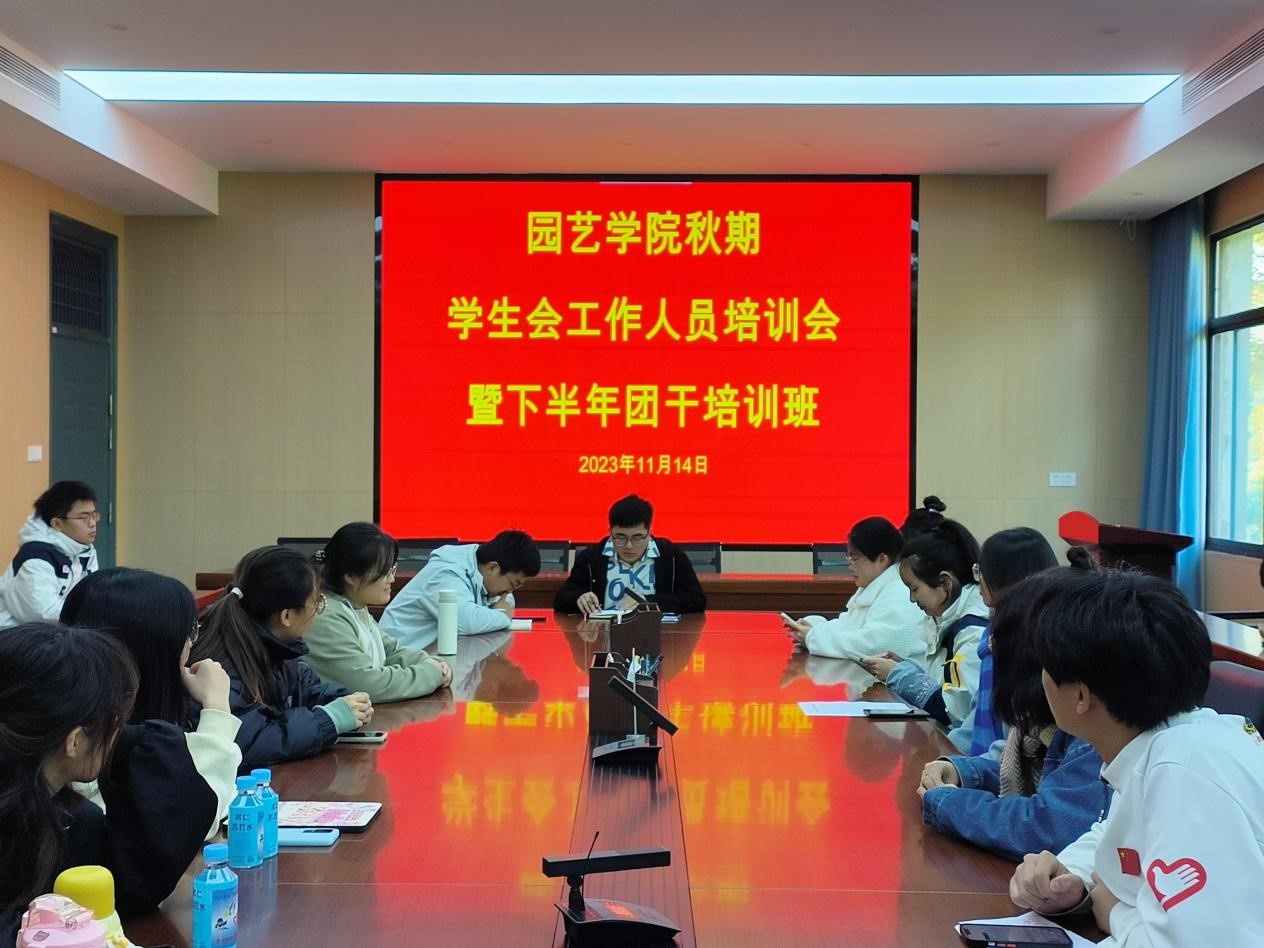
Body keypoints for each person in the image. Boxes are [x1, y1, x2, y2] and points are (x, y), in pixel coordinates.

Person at [1008, 569, 1264, 945]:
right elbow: (1122, 838)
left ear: (1081, 696)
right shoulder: (1166, 742)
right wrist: (1071, 876)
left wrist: (1115, 914)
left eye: (1046, 666)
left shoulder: (1184, 769)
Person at [0, 623, 216, 945]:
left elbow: (132, 888)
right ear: (75, 741)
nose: (119, 735)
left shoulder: (67, 818)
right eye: (116, 723)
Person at [916, 559, 1106, 861]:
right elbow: (1026, 770)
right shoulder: (1054, 726)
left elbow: (1045, 826)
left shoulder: (1094, 736)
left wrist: (947, 803)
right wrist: (963, 772)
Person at [60, 567, 243, 840]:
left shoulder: (86, 705)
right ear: (155, 648)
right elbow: (189, 821)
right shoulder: (87, 738)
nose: (191, 644)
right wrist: (216, 709)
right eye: (189, 632)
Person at [189, 545, 373, 771]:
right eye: (317, 602)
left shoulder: (277, 648)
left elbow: (307, 691)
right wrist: (327, 720)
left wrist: (346, 701)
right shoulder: (223, 664)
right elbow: (249, 744)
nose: (318, 610)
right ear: (286, 616)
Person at [861, 519, 988, 749]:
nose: (912, 599)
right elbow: (944, 682)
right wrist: (905, 667)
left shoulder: (972, 633)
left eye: (914, 588)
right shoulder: (949, 617)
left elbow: (953, 711)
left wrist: (899, 675)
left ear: (945, 582)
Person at [303, 522, 454, 702]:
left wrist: (431, 662)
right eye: (384, 572)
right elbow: (369, 685)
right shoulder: (325, 614)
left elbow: (391, 650)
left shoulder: (354, 605)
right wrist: (431, 673)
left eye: (393, 569)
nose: (392, 579)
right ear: (350, 576)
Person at [952, 528, 1060, 755]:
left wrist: (971, 768)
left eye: (981, 571)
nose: (979, 580)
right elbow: (981, 708)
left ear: (1002, 577)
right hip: (983, 762)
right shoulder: (992, 634)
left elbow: (1023, 734)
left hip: (1006, 765)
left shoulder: (1031, 641)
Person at [782, 516, 930, 662]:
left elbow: (873, 647)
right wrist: (814, 626)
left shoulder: (900, 593)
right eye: (848, 557)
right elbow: (848, 628)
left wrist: (813, 637)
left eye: (855, 558)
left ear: (882, 559)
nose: (850, 565)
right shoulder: (878, 586)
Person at [380, 530, 541, 650]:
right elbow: (465, 622)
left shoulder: (480, 569)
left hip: (425, 660)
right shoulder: (446, 573)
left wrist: (501, 609)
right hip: (394, 663)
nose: (509, 592)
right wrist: (503, 615)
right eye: (512, 584)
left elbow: (505, 601)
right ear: (493, 568)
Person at [554, 494, 706, 616]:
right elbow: (561, 598)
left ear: (649, 532)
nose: (629, 545)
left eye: (637, 537)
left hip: (657, 636)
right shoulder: (591, 558)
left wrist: (648, 602)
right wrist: (578, 598)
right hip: (602, 635)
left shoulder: (670, 556)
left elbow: (696, 600)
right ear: (610, 532)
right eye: (620, 537)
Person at [0, 481, 100, 629]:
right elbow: (43, 614)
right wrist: (94, 614)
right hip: (14, 634)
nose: (92, 523)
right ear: (57, 524)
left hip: (56, 633)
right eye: (83, 517)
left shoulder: (84, 550)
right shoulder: (35, 557)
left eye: (94, 515)